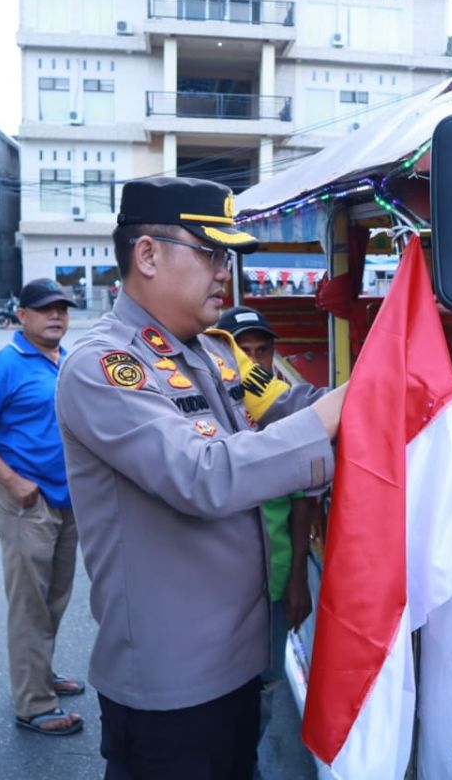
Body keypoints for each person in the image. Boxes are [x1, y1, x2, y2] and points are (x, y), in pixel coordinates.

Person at [54, 177, 346, 779]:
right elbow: (202, 474)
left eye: (228, 256)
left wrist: (373, 399)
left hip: (235, 660)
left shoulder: (209, 352)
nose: (224, 271)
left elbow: (282, 411)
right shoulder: (107, 367)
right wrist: (334, 414)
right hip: (174, 683)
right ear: (148, 254)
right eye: (210, 252)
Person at [0, 278, 84, 737]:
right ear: (21, 315)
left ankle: (40, 674)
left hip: (67, 499)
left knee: (55, 597)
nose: (56, 317)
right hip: (27, 501)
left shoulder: (63, 360)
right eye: (45, 310)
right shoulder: (4, 365)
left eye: (62, 309)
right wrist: (11, 479)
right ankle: (33, 704)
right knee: (30, 603)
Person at [215, 305, 315, 768]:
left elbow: (301, 499)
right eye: (244, 352)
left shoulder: (286, 411)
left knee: (267, 684)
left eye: (262, 349)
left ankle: (247, 764)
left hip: (273, 579)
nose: (254, 360)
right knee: (219, 690)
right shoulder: (209, 406)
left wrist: (297, 578)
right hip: (219, 586)